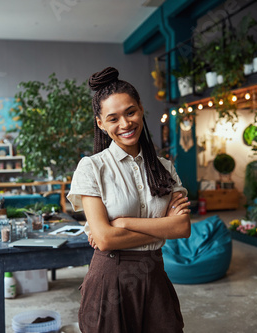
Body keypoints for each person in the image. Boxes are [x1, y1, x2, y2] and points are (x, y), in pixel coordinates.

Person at [67, 67, 191, 333]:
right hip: (110, 279)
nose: (125, 124)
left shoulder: (164, 168)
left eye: (130, 112)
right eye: (113, 118)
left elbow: (182, 227)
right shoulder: (92, 168)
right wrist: (162, 227)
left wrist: (123, 223)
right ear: (100, 123)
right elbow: (105, 239)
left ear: (141, 109)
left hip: (155, 275)